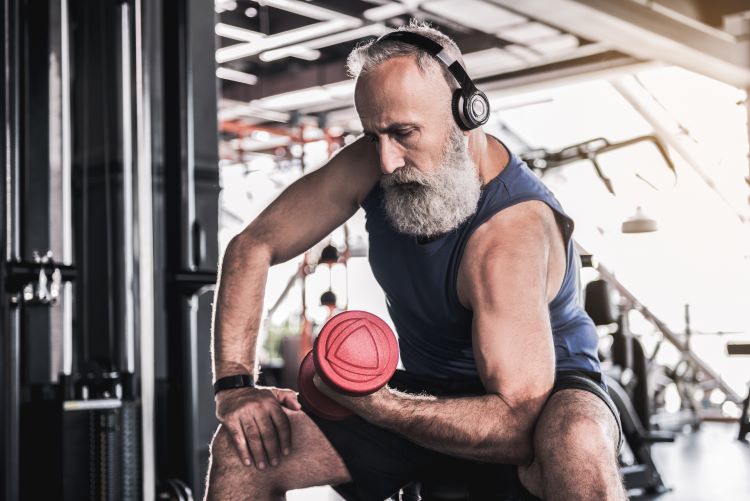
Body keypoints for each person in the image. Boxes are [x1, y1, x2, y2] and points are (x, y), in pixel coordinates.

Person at [205, 21, 626, 501]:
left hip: (538, 397)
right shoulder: (375, 161)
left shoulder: (511, 233)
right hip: (425, 387)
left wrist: (378, 403)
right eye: (373, 134)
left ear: (467, 115)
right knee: (246, 451)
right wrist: (235, 386)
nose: (386, 160)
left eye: (404, 133)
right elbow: (252, 246)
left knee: (578, 438)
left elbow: (514, 423)